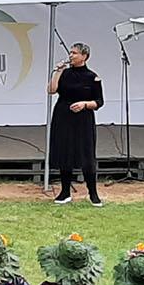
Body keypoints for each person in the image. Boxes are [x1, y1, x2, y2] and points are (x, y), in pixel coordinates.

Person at [49, 42, 105, 205]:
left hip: (83, 119)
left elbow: (99, 101)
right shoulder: (65, 73)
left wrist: (85, 104)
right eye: (70, 52)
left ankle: (93, 193)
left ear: (84, 56)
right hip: (63, 115)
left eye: (74, 53)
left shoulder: (92, 76)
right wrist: (58, 71)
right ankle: (65, 191)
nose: (71, 55)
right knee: (64, 152)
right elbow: (51, 90)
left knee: (86, 154)